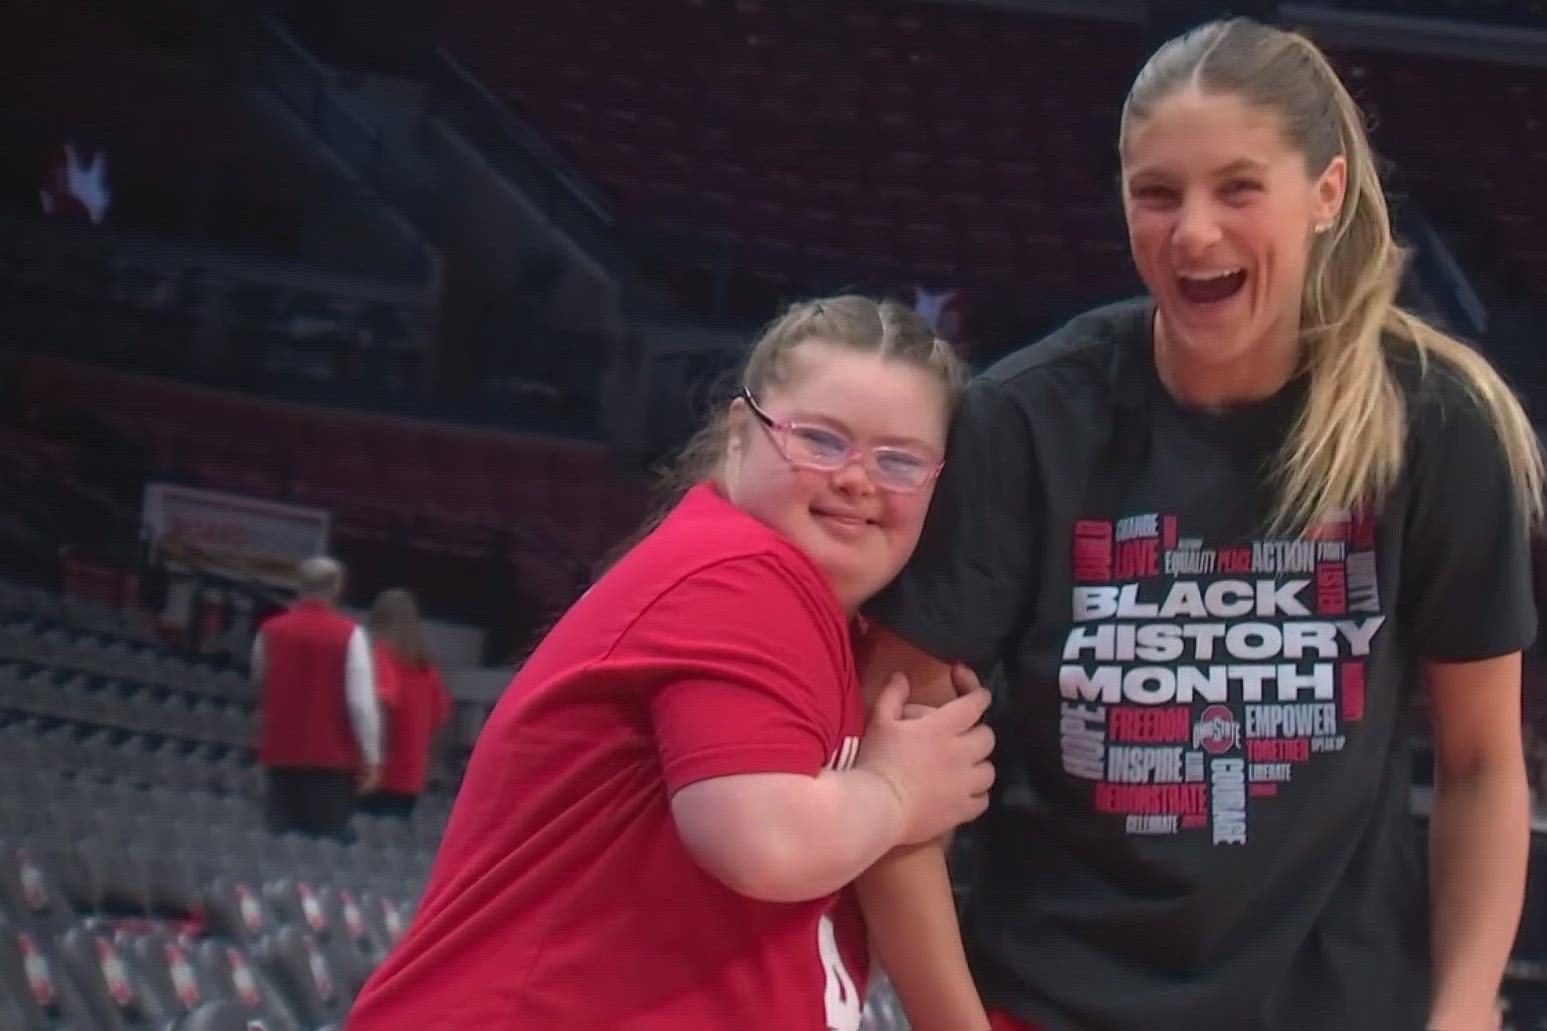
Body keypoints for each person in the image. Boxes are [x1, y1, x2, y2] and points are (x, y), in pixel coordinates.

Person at [854, 18, 1547, 1031]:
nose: (1193, 233)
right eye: (1156, 192)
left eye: (1237, 187)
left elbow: (1483, 767)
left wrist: (1459, 1010)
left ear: (1327, 193)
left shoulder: (1435, 424)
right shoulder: (1026, 421)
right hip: (1046, 1003)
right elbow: (891, 757)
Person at [345, 296, 993, 1030]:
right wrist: (901, 791)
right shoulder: (740, 573)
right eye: (820, 440)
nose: (856, 478)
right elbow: (764, 844)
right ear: (742, 435)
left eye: (898, 460)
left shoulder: (826, 620)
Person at [253, 556, 382, 839]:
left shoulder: (269, 631)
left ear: (298, 586)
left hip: (279, 754)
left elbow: (261, 683)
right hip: (330, 759)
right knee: (323, 850)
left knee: (276, 845)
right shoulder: (350, 634)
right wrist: (371, 759)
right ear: (337, 588)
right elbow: (360, 703)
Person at [363, 588, 451, 820]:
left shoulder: (381, 655)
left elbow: (383, 701)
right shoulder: (426, 667)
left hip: (379, 769)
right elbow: (440, 715)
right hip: (411, 772)